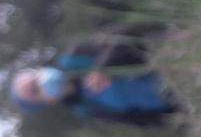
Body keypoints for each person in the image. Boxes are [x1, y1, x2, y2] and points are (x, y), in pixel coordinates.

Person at [8, 34, 176, 123]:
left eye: (35, 76)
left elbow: (127, 33)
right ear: (47, 102)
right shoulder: (85, 108)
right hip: (183, 98)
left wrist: (102, 66)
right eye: (35, 89)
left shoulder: (76, 55)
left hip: (179, 59)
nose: (40, 81)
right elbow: (137, 118)